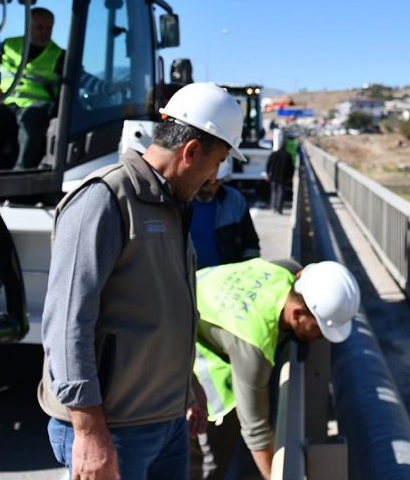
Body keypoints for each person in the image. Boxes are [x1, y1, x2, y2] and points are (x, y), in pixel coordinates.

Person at [37, 82, 246, 480]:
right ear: (191, 152)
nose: (215, 175)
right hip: (113, 429)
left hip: (167, 422)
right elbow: (66, 323)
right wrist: (89, 431)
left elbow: (164, 307)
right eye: (217, 161)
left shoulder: (172, 206)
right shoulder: (104, 198)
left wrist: (188, 386)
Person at [191, 258, 361, 480]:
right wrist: (276, 475)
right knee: (207, 459)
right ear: (297, 314)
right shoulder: (255, 348)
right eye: (319, 330)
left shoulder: (286, 269)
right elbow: (256, 431)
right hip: (180, 338)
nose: (321, 337)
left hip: (194, 288)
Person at [0, 8, 64, 169]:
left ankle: (21, 170)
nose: (44, 32)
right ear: (28, 26)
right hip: (5, 101)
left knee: (32, 119)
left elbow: (81, 78)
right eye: (40, 27)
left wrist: (107, 87)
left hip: (36, 105)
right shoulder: (7, 46)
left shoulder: (59, 55)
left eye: (48, 28)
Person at [189, 160, 261, 270]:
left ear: (221, 181)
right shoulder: (181, 202)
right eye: (204, 183)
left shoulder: (235, 200)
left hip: (226, 277)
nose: (207, 188)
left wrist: (250, 270)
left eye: (214, 182)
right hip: (190, 277)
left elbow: (250, 243)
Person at [265, 138, 294, 214]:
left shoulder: (274, 154)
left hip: (273, 177)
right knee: (281, 193)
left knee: (274, 192)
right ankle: (279, 208)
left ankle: (274, 207)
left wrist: (267, 174)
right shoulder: (288, 155)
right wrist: (290, 177)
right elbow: (291, 168)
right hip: (283, 178)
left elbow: (268, 165)